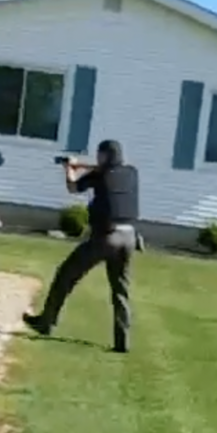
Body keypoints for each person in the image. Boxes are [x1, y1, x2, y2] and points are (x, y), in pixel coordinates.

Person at [23, 139, 140, 353]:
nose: (97, 158)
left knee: (66, 274)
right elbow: (108, 170)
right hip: (130, 237)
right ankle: (122, 341)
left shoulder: (100, 175)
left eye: (99, 155)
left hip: (106, 237)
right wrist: (82, 165)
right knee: (120, 290)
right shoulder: (131, 172)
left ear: (104, 156)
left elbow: (73, 187)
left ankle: (46, 322)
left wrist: (69, 169)